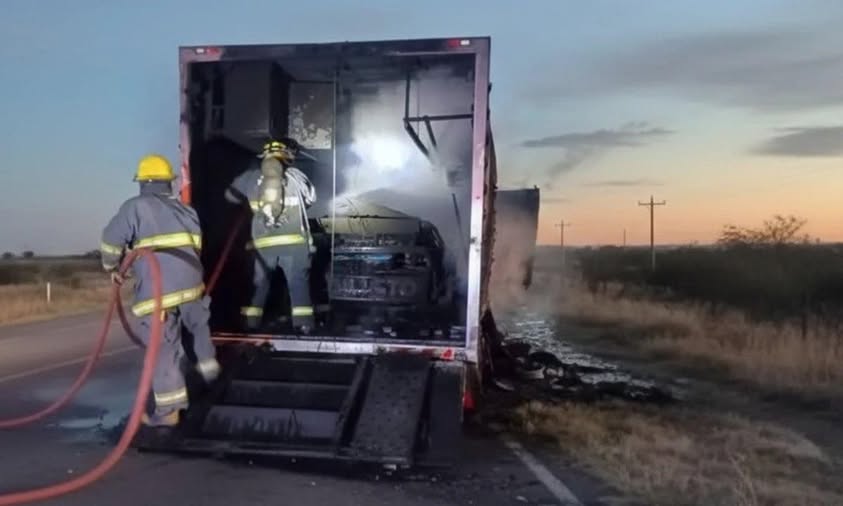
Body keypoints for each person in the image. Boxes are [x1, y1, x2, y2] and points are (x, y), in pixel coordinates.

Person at [100, 154, 220, 428]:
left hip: (158, 290)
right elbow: (197, 247)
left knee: (163, 348)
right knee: (197, 330)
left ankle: (169, 412)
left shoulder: (136, 207)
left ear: (143, 183)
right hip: (192, 285)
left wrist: (112, 267)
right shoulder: (187, 210)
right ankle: (210, 376)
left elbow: (110, 241)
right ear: (168, 183)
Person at [225, 138, 317, 333]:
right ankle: (303, 325)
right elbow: (310, 199)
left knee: (259, 284)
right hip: (294, 244)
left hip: (263, 245)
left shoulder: (250, 177)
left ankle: (250, 325)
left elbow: (230, 196)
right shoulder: (296, 176)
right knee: (297, 284)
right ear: (287, 155)